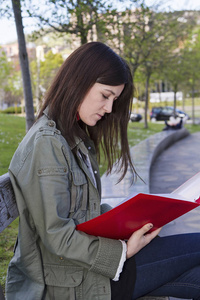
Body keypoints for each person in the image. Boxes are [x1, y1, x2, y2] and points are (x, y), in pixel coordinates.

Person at [5, 42, 200, 300]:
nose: (109, 108)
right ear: (79, 81)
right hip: (76, 284)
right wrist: (124, 251)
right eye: (106, 95)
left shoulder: (70, 137)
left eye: (114, 100)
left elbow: (81, 213)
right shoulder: (47, 144)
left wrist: (132, 221)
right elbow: (57, 237)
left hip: (87, 271)